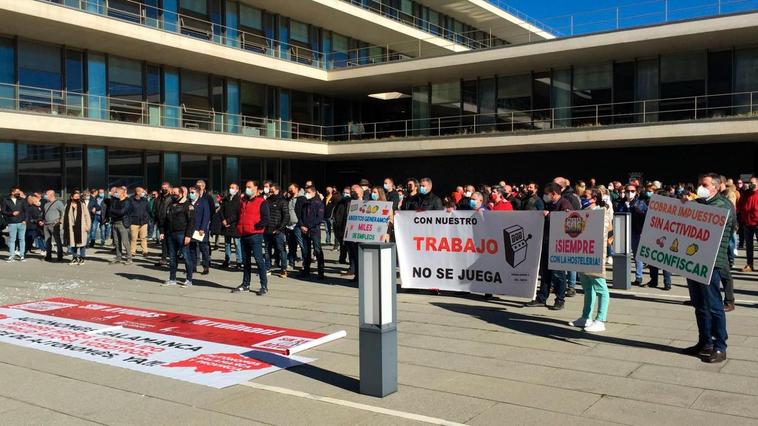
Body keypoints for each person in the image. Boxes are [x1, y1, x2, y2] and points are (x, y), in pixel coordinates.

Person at [682, 173, 733, 363]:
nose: (700, 187)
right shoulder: (700, 202)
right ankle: (704, 342)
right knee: (699, 305)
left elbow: (712, 218)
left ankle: (720, 346)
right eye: (698, 184)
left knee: (713, 305)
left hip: (711, 261)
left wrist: (693, 204)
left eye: (704, 184)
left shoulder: (723, 204)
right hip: (695, 259)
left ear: (717, 186)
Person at [526, 182, 574, 310]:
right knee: (545, 272)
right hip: (547, 241)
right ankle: (542, 297)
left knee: (558, 273)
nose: (545, 196)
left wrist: (550, 215)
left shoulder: (564, 204)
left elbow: (567, 221)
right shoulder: (550, 204)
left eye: (547, 194)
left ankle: (560, 299)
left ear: (554, 194)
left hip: (558, 243)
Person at [569, 189, 611, 332]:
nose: (582, 198)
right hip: (583, 253)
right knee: (587, 287)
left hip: (595, 254)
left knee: (600, 286)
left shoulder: (602, 212)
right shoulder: (583, 212)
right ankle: (586, 317)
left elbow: (606, 231)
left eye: (585, 196)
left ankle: (601, 319)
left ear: (594, 198)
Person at [233, 181, 270, 295]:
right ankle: (245, 284)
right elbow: (239, 215)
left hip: (255, 235)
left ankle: (264, 286)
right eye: (246, 187)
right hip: (244, 234)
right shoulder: (243, 201)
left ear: (255, 188)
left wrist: (257, 226)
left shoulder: (261, 201)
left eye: (249, 187)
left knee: (259, 260)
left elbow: (266, 218)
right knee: (246, 261)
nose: (247, 189)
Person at [161, 186, 195, 287]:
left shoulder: (187, 205)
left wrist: (188, 235)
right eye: (172, 193)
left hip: (182, 233)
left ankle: (189, 279)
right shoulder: (171, 205)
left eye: (175, 193)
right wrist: (163, 231)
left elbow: (191, 221)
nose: (173, 195)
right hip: (171, 234)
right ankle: (172, 279)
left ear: (181, 193)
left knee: (186, 256)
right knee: (172, 257)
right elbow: (165, 220)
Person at [615, 184, 648, 286]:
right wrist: (625, 206)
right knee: (623, 254)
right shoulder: (620, 203)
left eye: (632, 191)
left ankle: (639, 276)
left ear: (636, 192)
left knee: (637, 255)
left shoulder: (640, 203)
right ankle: (624, 275)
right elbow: (618, 214)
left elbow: (645, 215)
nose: (630, 193)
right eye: (628, 191)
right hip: (622, 231)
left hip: (636, 231)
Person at [299, 185, 325, 280]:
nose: (307, 194)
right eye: (306, 192)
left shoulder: (319, 204)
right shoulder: (305, 203)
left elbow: (319, 219)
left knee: (317, 250)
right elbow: (301, 216)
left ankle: (320, 271)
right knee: (306, 251)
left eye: (308, 192)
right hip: (304, 231)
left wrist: (308, 226)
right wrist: (302, 225)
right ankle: (306, 270)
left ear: (314, 193)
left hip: (314, 231)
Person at [265, 183, 290, 278]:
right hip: (267, 230)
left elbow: (286, 217)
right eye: (269, 190)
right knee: (267, 250)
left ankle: (283, 269)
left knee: (281, 250)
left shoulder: (282, 201)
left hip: (278, 231)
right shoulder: (267, 201)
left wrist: (279, 229)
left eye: (272, 190)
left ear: (277, 190)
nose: (270, 191)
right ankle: (267, 267)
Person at [63, 189, 91, 265]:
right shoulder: (67, 205)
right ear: (72, 197)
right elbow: (63, 216)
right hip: (71, 228)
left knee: (82, 244)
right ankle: (74, 258)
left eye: (78, 196)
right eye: (75, 196)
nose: (77, 198)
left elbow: (87, 216)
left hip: (81, 227)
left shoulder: (82, 205)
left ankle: (82, 258)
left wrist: (88, 226)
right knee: (73, 244)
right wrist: (62, 224)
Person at [188, 186, 210, 276]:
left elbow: (206, 216)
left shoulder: (203, 202)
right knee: (192, 248)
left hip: (200, 229)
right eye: (190, 192)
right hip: (191, 229)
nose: (190, 194)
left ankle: (206, 267)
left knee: (203, 248)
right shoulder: (189, 202)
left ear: (197, 193)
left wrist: (202, 228)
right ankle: (193, 266)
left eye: (192, 192)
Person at [738, 176, 758, 272]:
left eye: (753, 182)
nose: (751, 184)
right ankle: (749, 265)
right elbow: (740, 205)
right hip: (747, 223)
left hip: (757, 223)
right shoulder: (746, 193)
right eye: (750, 182)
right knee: (749, 246)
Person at [220, 183, 242, 269]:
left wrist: (228, 220)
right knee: (227, 244)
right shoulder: (226, 199)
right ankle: (227, 260)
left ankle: (239, 261)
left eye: (233, 188)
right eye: (230, 187)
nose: (231, 189)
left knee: (237, 244)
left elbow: (238, 214)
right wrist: (223, 220)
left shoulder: (239, 200)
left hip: (235, 225)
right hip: (226, 225)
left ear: (237, 190)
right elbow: (221, 210)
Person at [108, 187, 132, 265]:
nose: (115, 193)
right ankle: (118, 257)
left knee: (125, 242)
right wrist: (114, 211)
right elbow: (110, 210)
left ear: (122, 193)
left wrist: (113, 211)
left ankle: (129, 258)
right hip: (114, 222)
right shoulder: (115, 200)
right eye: (115, 192)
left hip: (122, 223)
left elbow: (122, 212)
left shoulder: (127, 201)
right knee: (116, 242)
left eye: (117, 192)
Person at [3, 186, 27, 262]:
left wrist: (25, 220)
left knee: (22, 239)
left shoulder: (22, 200)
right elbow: (3, 211)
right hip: (12, 223)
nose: (18, 193)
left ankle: (22, 255)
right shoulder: (5, 200)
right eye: (17, 191)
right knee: (12, 240)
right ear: (12, 192)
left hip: (22, 223)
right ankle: (11, 256)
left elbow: (26, 211)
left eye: (19, 191)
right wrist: (12, 213)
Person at [42, 189, 65, 262]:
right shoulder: (46, 204)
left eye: (46, 194)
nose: (45, 195)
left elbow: (63, 212)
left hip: (54, 225)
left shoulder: (58, 203)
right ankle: (48, 256)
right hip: (46, 224)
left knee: (58, 240)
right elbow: (44, 214)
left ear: (51, 195)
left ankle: (60, 256)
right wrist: (42, 221)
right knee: (47, 241)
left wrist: (61, 221)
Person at [153, 182, 172, 267]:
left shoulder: (172, 198)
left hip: (170, 222)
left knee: (170, 242)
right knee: (163, 241)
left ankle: (172, 259)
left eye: (165, 187)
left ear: (169, 188)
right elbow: (155, 209)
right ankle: (164, 259)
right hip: (161, 222)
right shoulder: (158, 198)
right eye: (162, 187)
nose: (164, 189)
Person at [129, 187, 150, 258]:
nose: (143, 193)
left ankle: (145, 252)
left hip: (143, 222)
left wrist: (147, 218)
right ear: (137, 192)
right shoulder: (131, 200)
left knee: (143, 238)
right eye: (142, 192)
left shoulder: (145, 200)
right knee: (133, 238)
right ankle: (132, 252)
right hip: (134, 222)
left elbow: (148, 210)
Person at [333, 186, 351, 264]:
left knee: (348, 244)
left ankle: (350, 261)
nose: (345, 194)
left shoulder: (350, 202)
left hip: (347, 225)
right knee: (342, 244)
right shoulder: (340, 202)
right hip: (339, 225)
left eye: (347, 193)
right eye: (344, 192)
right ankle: (342, 258)